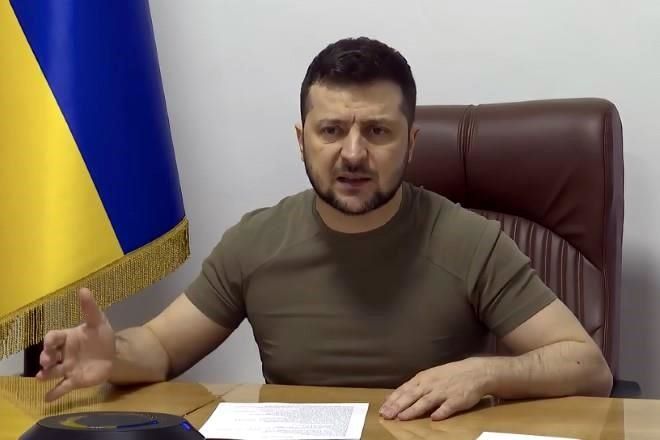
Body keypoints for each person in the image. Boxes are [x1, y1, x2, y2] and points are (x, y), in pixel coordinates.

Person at [37, 37, 613, 421]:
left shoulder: (469, 241)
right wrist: (114, 355)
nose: (353, 154)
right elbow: (161, 347)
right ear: (302, 139)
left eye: (378, 132)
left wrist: (484, 373)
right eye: (332, 130)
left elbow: (586, 366)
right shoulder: (257, 240)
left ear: (411, 143)